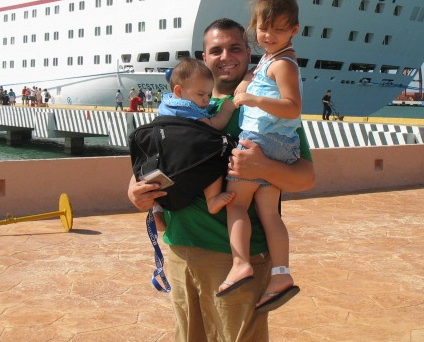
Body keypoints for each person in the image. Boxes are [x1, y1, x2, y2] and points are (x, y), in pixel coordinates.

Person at [128, 18, 315, 342]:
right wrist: (134, 190)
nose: (226, 56)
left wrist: (262, 166)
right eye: (216, 50)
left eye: (235, 47)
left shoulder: (271, 112)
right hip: (181, 252)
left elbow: (306, 177)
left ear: (249, 52)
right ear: (205, 56)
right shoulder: (186, 109)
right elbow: (151, 159)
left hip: (237, 261)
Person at [218, 0, 301, 312]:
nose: (269, 35)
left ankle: (241, 264)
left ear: (294, 29)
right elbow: (259, 84)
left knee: (236, 203)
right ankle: (281, 274)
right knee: (269, 213)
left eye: (278, 30)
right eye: (263, 28)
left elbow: (293, 108)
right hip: (278, 145)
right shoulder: (271, 60)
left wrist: (253, 100)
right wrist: (247, 86)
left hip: (262, 141)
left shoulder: (282, 63)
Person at [156, 57, 236, 214]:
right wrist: (227, 109)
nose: (206, 99)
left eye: (208, 93)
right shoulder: (186, 108)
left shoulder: (169, 103)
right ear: (179, 91)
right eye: (201, 94)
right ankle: (212, 199)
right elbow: (213, 125)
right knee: (213, 162)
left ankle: (157, 210)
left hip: (167, 160)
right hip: (186, 158)